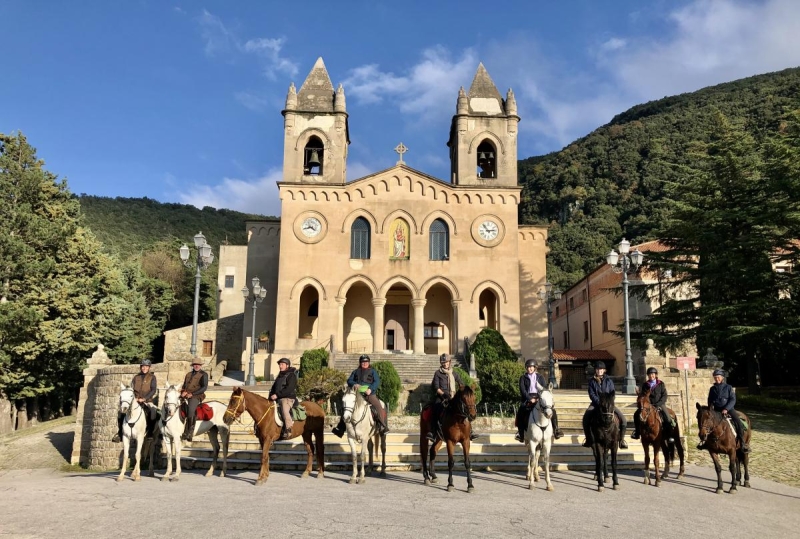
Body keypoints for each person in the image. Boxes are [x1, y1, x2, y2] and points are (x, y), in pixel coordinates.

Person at [332, 355, 389, 437]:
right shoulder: (355, 371)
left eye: (366, 362)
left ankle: (382, 426)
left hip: (369, 394)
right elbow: (349, 380)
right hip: (357, 394)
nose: (364, 363)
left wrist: (370, 389)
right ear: (360, 363)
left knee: (378, 406)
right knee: (347, 407)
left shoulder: (373, 371)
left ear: (369, 363)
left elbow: (376, 381)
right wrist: (354, 384)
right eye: (363, 362)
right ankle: (340, 428)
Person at [427, 353, 478, 442]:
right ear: (441, 363)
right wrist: (443, 394)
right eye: (443, 362)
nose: (445, 364)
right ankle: (433, 432)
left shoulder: (454, 372)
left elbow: (461, 383)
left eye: (446, 362)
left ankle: (470, 431)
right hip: (442, 396)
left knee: (465, 409)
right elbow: (435, 387)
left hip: (453, 396)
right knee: (435, 408)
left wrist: (464, 391)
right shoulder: (438, 373)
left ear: (449, 362)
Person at [698, 369, 750, 453]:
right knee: (707, 424)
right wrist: (710, 410)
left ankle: (743, 443)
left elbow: (733, 399)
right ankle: (706, 443)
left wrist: (726, 409)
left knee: (738, 423)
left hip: (729, 409)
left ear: (722, 378)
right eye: (715, 377)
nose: (716, 379)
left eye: (718, 377)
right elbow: (710, 400)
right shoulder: (712, 389)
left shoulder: (728, 387)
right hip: (716, 411)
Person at [514, 358, 564, 442]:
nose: (530, 368)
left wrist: (538, 398)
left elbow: (544, 389)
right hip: (528, 398)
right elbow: (523, 391)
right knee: (521, 411)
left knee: (552, 411)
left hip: (539, 397)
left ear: (535, 368)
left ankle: (556, 430)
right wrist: (530, 399)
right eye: (528, 367)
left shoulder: (540, 377)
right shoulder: (523, 378)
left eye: (531, 367)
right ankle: (520, 433)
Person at [582, 361, 628, 449]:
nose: (599, 371)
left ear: (604, 370)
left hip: (608, 405)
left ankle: (621, 440)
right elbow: (591, 394)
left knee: (623, 419)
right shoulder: (592, 381)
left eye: (601, 369)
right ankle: (588, 439)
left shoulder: (609, 381)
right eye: (598, 369)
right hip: (596, 404)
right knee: (586, 417)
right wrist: (599, 402)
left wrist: (608, 403)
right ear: (595, 370)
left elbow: (612, 393)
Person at [112, 359, 157, 443]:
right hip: (135, 400)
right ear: (141, 367)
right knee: (121, 412)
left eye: (146, 366)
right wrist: (134, 398)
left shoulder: (152, 377)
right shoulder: (136, 377)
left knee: (153, 411)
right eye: (143, 366)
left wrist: (144, 398)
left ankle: (150, 433)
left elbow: (153, 390)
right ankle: (120, 433)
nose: (144, 368)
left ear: (149, 368)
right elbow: (131, 389)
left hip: (147, 401)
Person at [632, 367, 675, 443]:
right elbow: (643, 396)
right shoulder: (645, 384)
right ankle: (637, 432)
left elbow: (664, 395)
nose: (651, 376)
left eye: (653, 374)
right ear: (648, 375)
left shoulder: (661, 384)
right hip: (648, 405)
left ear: (655, 375)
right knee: (636, 414)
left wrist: (659, 404)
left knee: (668, 418)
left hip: (659, 404)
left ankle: (669, 436)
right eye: (649, 374)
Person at [270, 357, 298, 440]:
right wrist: (271, 396)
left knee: (285, 410)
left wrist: (277, 395)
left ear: (287, 365)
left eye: (282, 364)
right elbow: (274, 388)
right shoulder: (280, 375)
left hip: (287, 398)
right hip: (278, 398)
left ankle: (288, 429)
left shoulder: (291, 375)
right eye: (279, 364)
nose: (280, 366)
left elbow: (289, 389)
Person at [180, 359, 208, 442]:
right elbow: (184, 385)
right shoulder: (188, 374)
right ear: (192, 365)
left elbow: (204, 387)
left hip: (196, 396)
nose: (196, 366)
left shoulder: (204, 374)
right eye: (195, 364)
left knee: (191, 410)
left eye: (198, 364)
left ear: (201, 365)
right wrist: (183, 392)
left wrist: (192, 394)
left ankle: (189, 433)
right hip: (186, 395)